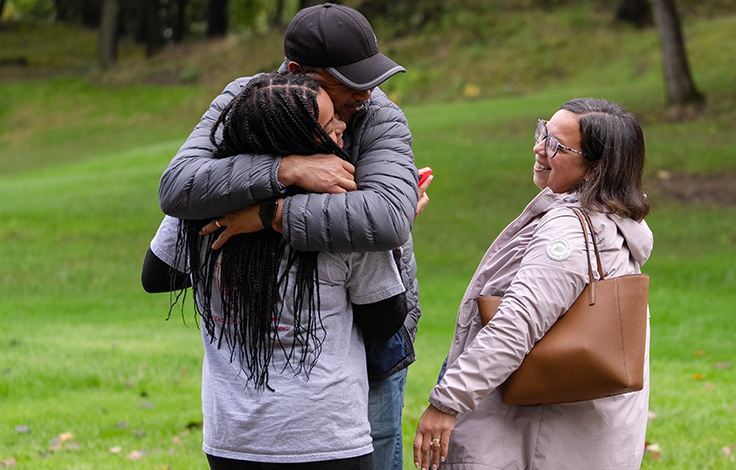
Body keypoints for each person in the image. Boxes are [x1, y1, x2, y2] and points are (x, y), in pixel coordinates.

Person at [155, 4, 428, 469]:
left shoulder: (378, 113)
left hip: (371, 328)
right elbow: (178, 187)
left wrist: (270, 213)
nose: (367, 92)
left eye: (371, 77)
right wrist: (285, 168)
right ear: (300, 72)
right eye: (350, 81)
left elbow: (387, 217)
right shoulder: (244, 100)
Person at [413, 98, 653, 470]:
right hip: (578, 435)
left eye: (556, 145)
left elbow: (516, 324)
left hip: (529, 439)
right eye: (543, 133)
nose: (539, 148)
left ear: (595, 167)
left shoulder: (570, 232)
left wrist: (448, 401)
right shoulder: (617, 224)